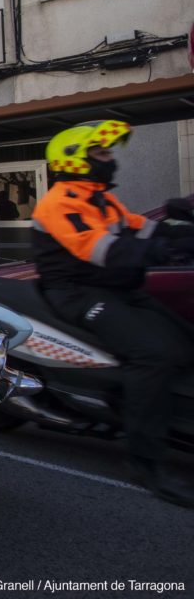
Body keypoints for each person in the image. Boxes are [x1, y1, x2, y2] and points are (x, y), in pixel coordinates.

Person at [32, 120, 194, 508]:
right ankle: (144, 459)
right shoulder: (60, 202)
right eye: (102, 154)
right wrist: (165, 252)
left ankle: (141, 408)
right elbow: (102, 249)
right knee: (153, 355)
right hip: (76, 294)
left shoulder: (101, 199)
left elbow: (141, 229)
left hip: (118, 289)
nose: (110, 160)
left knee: (184, 343)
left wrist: (179, 235)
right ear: (75, 161)